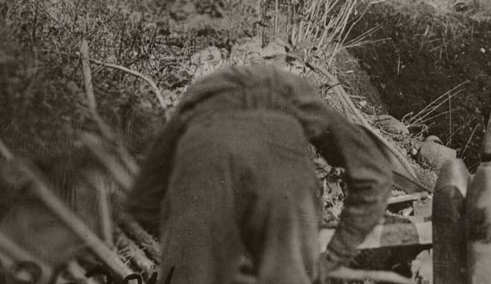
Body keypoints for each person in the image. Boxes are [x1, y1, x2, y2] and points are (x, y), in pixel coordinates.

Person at [124, 59, 393, 284]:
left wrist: (191, 239)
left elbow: (145, 199)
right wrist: (331, 258)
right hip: (281, 172)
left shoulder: (196, 100)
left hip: (201, 155)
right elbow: (374, 172)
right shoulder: (297, 94)